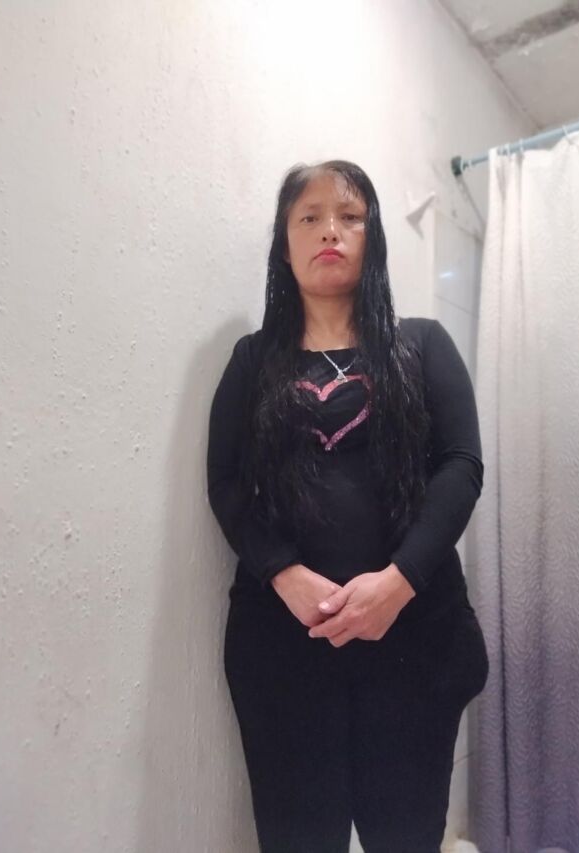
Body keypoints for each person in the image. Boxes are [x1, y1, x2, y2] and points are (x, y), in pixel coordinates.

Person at [206, 159, 490, 853]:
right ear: (285, 245)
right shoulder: (251, 360)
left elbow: (461, 466)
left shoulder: (423, 344)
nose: (330, 230)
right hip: (284, 646)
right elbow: (227, 482)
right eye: (309, 217)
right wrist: (284, 574)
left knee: (406, 836)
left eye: (350, 216)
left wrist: (398, 582)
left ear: (374, 236)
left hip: (414, 638)